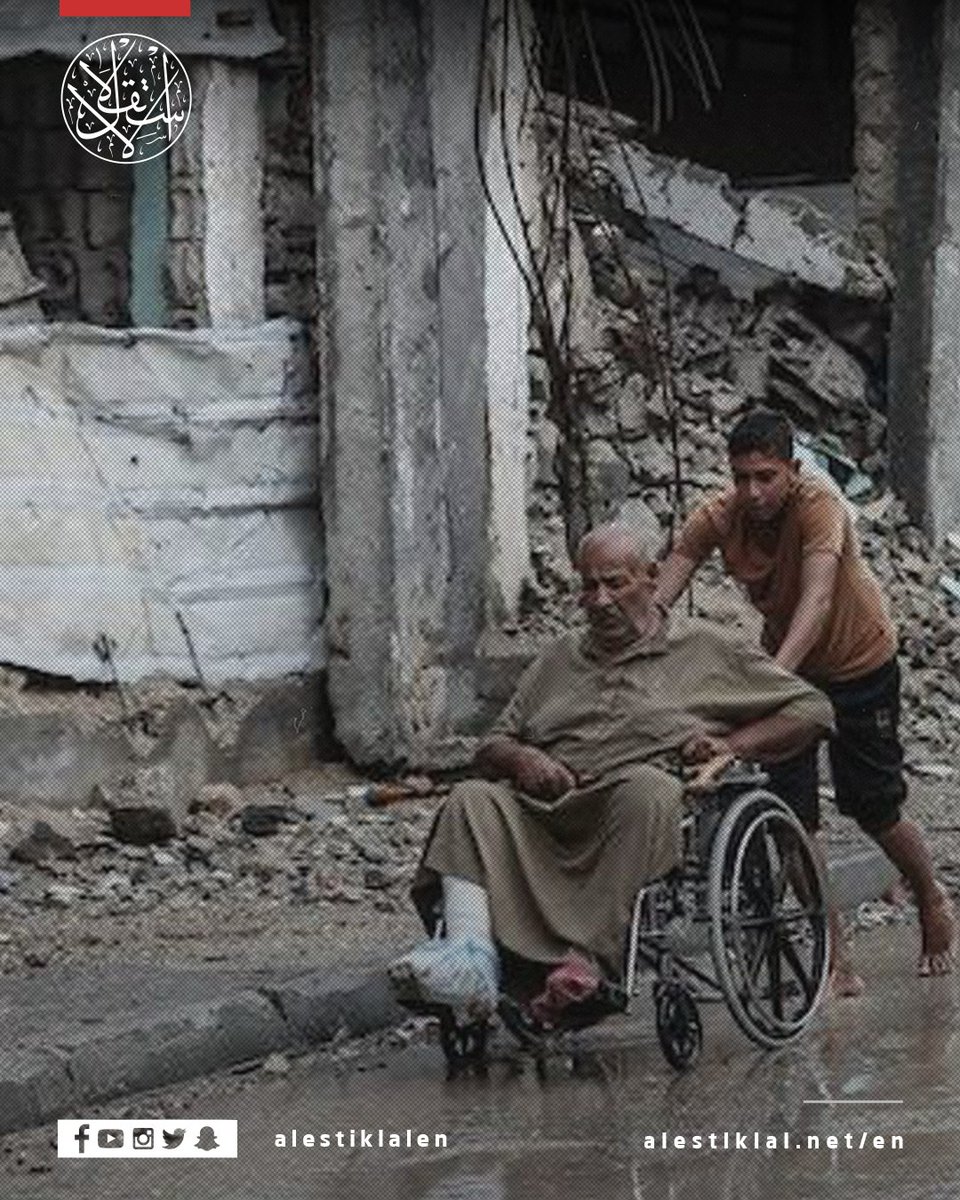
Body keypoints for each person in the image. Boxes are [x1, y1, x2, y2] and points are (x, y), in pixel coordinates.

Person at [387, 521, 834, 1020]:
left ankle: (590, 961)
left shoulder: (708, 649)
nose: (599, 600)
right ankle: (469, 957)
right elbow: (494, 743)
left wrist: (730, 744)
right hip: (547, 810)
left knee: (648, 789)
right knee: (472, 798)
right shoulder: (559, 657)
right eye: (588, 585)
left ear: (652, 578)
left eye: (615, 583)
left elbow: (811, 709)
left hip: (630, 811)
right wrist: (525, 759)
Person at [652, 407, 956, 989]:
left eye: (765, 476)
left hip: (858, 663)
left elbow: (816, 602)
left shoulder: (821, 506)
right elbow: (665, 588)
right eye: (741, 477)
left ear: (792, 470)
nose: (752, 490)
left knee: (874, 804)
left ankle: (930, 893)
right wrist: (633, 631)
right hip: (789, 671)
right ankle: (832, 954)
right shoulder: (718, 515)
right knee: (794, 816)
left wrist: (770, 681)